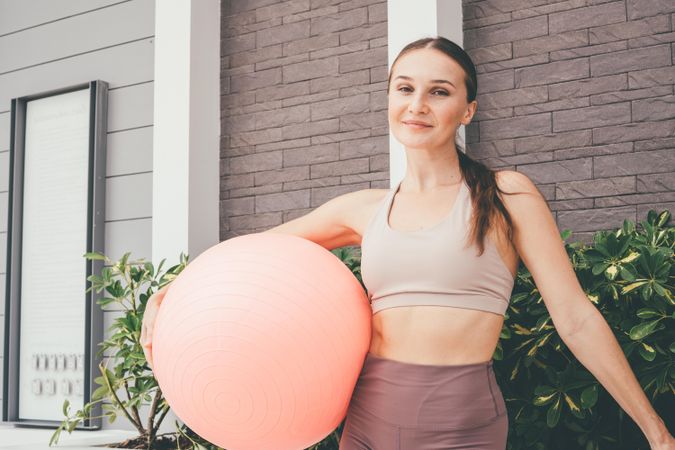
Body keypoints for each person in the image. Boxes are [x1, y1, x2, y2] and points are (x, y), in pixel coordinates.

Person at [141, 36, 674, 450]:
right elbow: (247, 255)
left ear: (467, 109)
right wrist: (168, 295)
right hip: (369, 415)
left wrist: (656, 432)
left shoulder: (506, 195)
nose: (418, 104)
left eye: (439, 91)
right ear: (389, 98)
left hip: (462, 421)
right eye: (405, 88)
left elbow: (574, 316)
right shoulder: (364, 209)